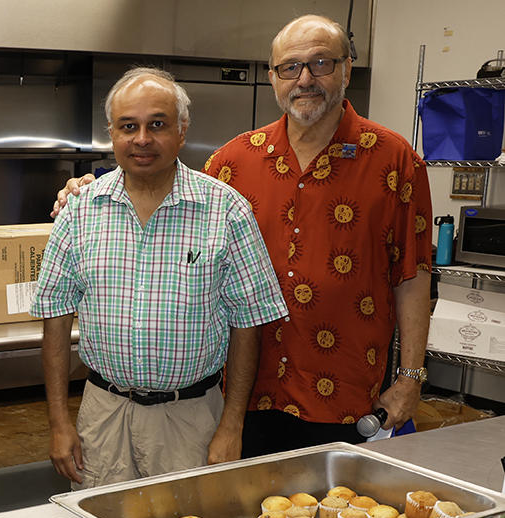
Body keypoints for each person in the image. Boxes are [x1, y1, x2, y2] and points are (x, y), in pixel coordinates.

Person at [55, 16, 433, 458]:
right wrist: (82, 189)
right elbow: (162, 192)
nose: (305, 79)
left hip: (347, 394)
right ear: (273, 78)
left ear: (347, 69)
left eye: (321, 63)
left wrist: (410, 377)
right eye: (290, 67)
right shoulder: (234, 160)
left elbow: (413, 275)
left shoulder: (395, 161)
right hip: (245, 394)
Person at [31, 67, 288, 490]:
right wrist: (59, 423)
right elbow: (55, 321)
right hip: (103, 416)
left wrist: (231, 426)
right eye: (128, 126)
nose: (142, 139)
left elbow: (249, 324)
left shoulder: (227, 211)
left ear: (182, 132)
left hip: (191, 419)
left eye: (158, 125)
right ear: (111, 133)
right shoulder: (79, 211)